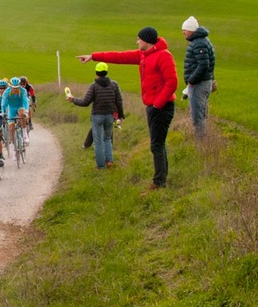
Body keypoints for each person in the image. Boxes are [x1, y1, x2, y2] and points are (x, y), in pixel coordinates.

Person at [78, 26, 177, 192]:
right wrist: (93, 56)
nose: (137, 41)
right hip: (153, 106)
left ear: (146, 40)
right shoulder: (143, 55)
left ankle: (159, 183)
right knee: (158, 144)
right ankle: (161, 180)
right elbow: (119, 56)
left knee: (156, 145)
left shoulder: (163, 56)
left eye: (139, 38)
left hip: (162, 107)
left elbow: (172, 82)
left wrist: (157, 104)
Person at [66, 63, 124, 169]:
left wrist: (73, 99)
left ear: (96, 73)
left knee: (98, 142)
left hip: (97, 116)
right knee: (107, 139)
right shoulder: (114, 85)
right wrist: (121, 116)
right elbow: (119, 101)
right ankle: (109, 161)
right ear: (106, 72)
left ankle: (100, 166)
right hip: (110, 116)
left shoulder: (94, 86)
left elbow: (85, 102)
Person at [180, 16, 216, 139]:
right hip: (203, 83)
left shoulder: (198, 43)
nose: (183, 32)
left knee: (198, 117)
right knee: (201, 115)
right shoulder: (202, 41)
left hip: (199, 85)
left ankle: (201, 144)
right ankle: (203, 142)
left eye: (185, 29)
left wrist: (191, 81)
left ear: (191, 30)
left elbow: (203, 65)